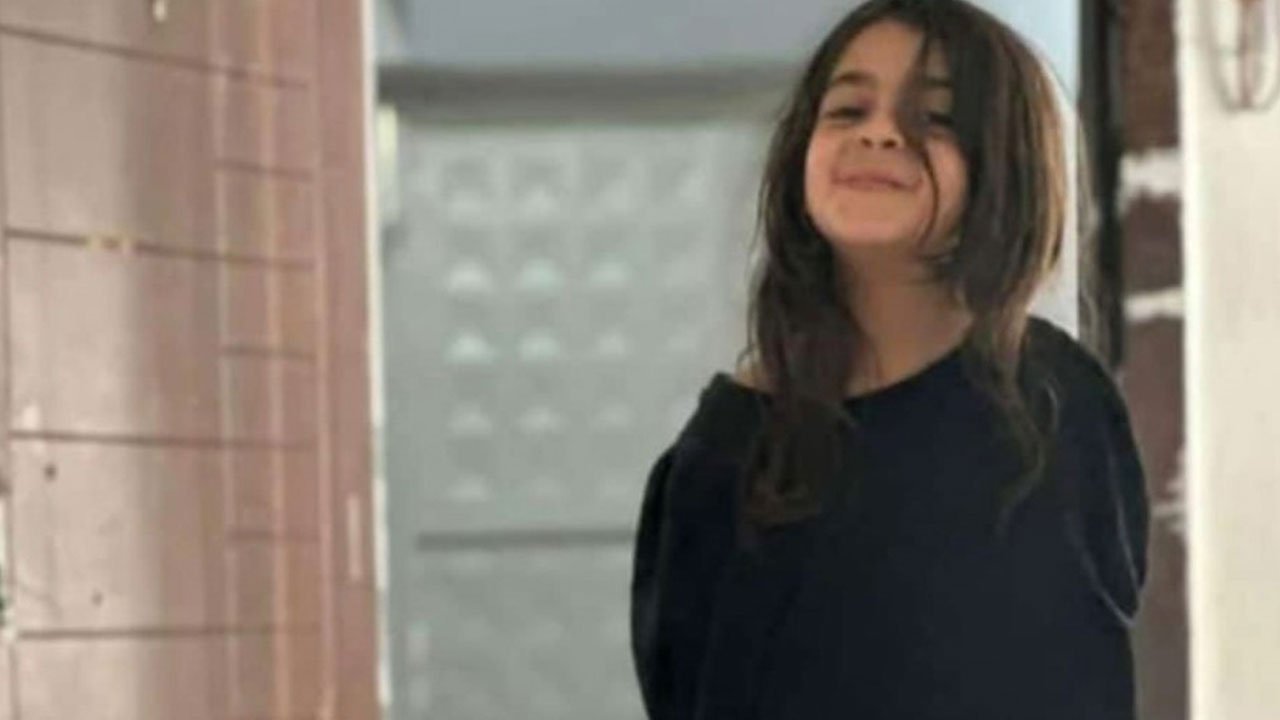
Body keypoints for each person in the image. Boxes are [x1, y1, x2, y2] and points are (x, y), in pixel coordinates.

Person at [628, 1, 1150, 718]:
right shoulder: (725, 451)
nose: (878, 133)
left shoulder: (1055, 406)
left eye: (933, 118)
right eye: (847, 110)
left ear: (1004, 167)